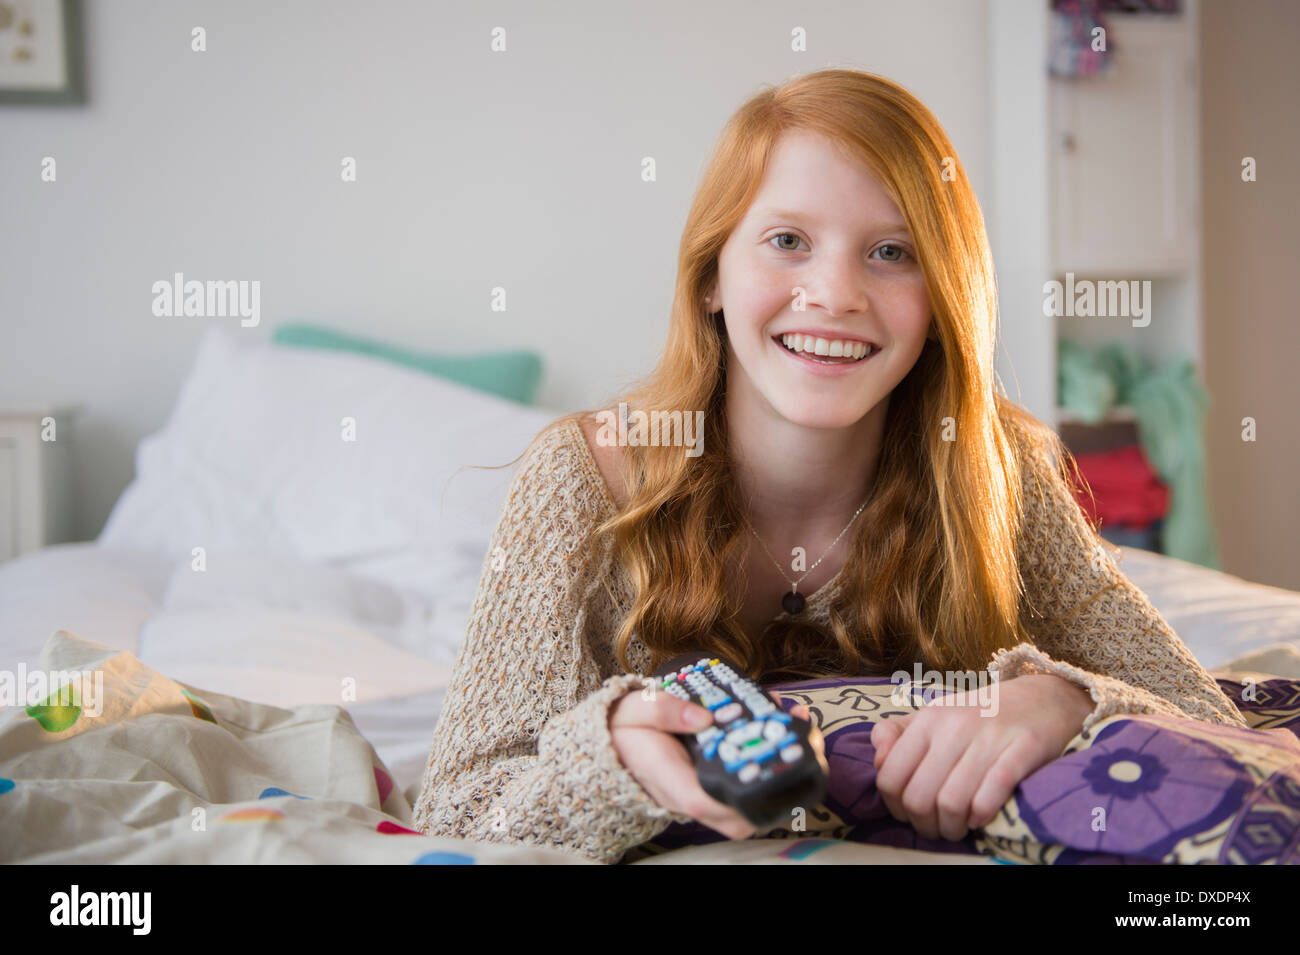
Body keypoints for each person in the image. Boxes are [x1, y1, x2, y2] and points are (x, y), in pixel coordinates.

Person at [411, 69, 1247, 865]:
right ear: (711, 275)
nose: (836, 293)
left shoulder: (999, 469)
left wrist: (1065, 698)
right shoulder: (584, 477)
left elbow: (1206, 716)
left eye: (892, 252)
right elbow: (453, 813)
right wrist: (611, 759)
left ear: (940, 301)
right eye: (787, 241)